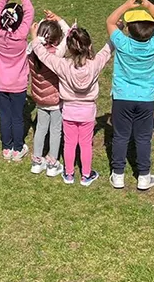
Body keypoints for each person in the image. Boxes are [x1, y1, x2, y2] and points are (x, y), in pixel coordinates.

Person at [33, 21, 111, 187]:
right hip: (87, 112)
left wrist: (34, 37)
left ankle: (68, 174)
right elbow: (107, 50)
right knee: (85, 144)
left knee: (69, 143)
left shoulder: (63, 65)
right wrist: (116, 32)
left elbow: (43, 55)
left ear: (69, 48)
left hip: (68, 111)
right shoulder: (95, 64)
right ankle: (86, 175)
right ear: (89, 46)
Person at [107, 0, 154, 191]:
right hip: (146, 98)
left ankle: (118, 175)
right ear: (151, 30)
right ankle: (143, 176)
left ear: (129, 29)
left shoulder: (122, 43)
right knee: (143, 137)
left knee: (120, 136)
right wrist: (148, 4)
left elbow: (110, 21)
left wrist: (127, 4)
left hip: (122, 97)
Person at [0, 0, 35, 160]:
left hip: (1, 84)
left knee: (4, 116)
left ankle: (6, 147)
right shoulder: (21, 35)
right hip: (18, 84)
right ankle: (18, 148)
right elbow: (30, 11)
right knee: (17, 117)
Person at [28, 16, 64, 177]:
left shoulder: (30, 51)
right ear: (56, 40)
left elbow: (35, 44)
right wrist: (59, 20)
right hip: (56, 100)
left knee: (41, 128)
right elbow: (69, 33)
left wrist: (34, 34)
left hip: (40, 99)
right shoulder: (57, 53)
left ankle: (37, 162)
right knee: (55, 130)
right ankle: (52, 163)